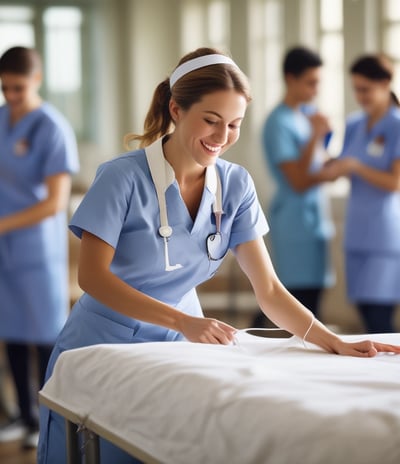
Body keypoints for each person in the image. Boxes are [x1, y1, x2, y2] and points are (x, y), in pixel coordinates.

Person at [37, 47, 400, 464]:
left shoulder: (236, 185)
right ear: (176, 109)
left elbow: (267, 289)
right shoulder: (122, 177)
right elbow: (92, 278)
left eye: (234, 125)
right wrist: (182, 321)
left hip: (180, 350)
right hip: (103, 342)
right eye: (210, 120)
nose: (222, 136)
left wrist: (332, 341)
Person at [0, 46, 79, 448]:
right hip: (5, 248)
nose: (11, 95)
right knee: (10, 329)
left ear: (37, 80)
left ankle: (51, 421)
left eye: (18, 87)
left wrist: (3, 224)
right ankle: (25, 416)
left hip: (36, 248)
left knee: (46, 334)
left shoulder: (51, 127)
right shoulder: (1, 120)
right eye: (4, 87)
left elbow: (54, 202)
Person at [253, 46, 337, 327]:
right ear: (291, 78)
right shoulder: (278, 122)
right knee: (293, 299)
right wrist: (316, 135)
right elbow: (298, 180)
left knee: (314, 298)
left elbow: (319, 165)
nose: (316, 90)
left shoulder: (308, 115)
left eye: (318, 82)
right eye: (310, 82)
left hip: (315, 219)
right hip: (293, 221)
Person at [331, 54, 400, 333]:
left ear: (385, 83)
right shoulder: (354, 124)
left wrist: (356, 167)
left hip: (384, 236)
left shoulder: (396, 125)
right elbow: (342, 164)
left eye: (366, 89)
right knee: (363, 312)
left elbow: (395, 182)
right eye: (356, 89)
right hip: (357, 231)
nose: (360, 96)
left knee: (379, 319)